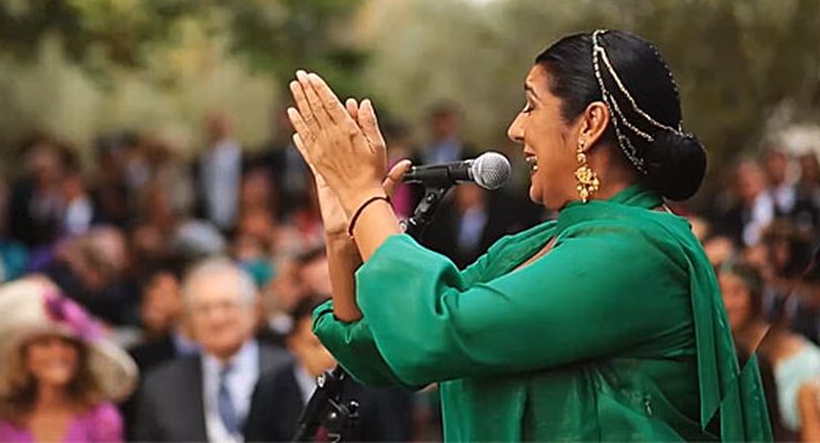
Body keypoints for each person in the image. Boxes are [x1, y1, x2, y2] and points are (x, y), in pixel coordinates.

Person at [286, 29, 771, 441]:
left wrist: (366, 197)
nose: (515, 129)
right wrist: (343, 236)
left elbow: (434, 331)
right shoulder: (534, 247)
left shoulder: (638, 252)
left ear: (590, 124)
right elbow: (384, 350)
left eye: (531, 105)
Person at [0, 277, 136, 443]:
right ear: (25, 357)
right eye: (45, 344)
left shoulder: (101, 417)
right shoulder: (7, 420)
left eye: (67, 343)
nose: (58, 352)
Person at [130, 258, 289, 442]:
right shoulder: (161, 386)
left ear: (252, 311)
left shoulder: (288, 370)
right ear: (189, 320)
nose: (216, 319)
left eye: (227, 305)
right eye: (203, 309)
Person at [243, 296, 413, 442]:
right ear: (293, 343)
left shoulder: (370, 385)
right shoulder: (271, 388)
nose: (327, 355)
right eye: (316, 345)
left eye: (332, 345)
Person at [720, 262, 820, 439]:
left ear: (756, 297)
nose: (727, 303)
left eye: (736, 293)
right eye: (720, 293)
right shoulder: (716, 353)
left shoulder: (806, 363)